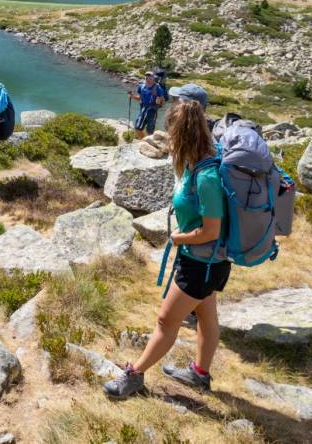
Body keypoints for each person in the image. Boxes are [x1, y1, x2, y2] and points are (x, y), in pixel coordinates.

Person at [103, 97, 231, 399]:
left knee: (165, 320)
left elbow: (211, 230)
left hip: (201, 262)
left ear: (181, 133)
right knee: (207, 317)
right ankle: (200, 374)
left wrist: (178, 239)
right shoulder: (196, 163)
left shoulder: (207, 176)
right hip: (207, 261)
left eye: (171, 132)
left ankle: (134, 376)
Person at [129, 71, 167, 139]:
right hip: (143, 110)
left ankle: (148, 143)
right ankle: (144, 140)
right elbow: (139, 99)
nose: (147, 79)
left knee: (150, 131)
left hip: (152, 111)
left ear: (153, 78)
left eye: (150, 77)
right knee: (137, 128)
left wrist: (159, 103)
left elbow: (163, 103)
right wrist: (132, 96)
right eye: (146, 77)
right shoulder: (142, 87)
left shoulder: (158, 88)